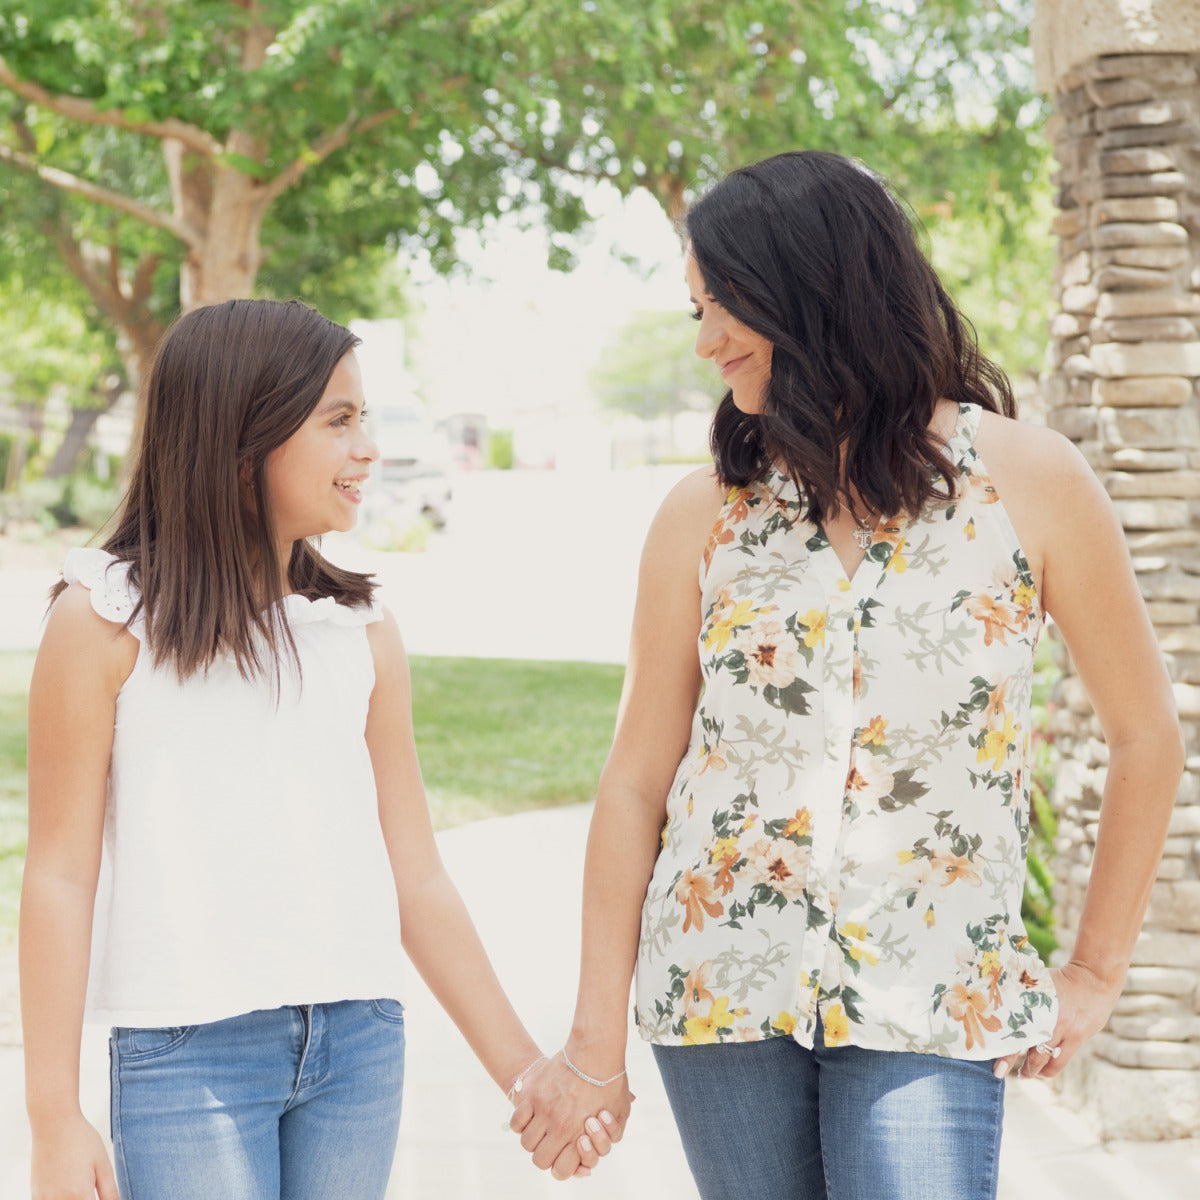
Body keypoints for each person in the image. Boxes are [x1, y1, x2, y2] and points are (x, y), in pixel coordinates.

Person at [513, 151, 1184, 1198]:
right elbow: (639, 781)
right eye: (696, 309)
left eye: (724, 304)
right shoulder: (705, 516)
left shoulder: (1031, 481)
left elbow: (1148, 735)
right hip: (719, 986)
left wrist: (1095, 973)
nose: (706, 341)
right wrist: (594, 1044)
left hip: (935, 990)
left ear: (817, 287)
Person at [19, 299, 621, 1200]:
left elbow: (415, 877)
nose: (368, 448)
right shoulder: (104, 618)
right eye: (338, 421)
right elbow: (59, 878)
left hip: (358, 1043)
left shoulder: (360, 630)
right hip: (190, 1058)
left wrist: (527, 1073)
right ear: (241, 439)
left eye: (363, 418)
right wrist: (53, 1119)